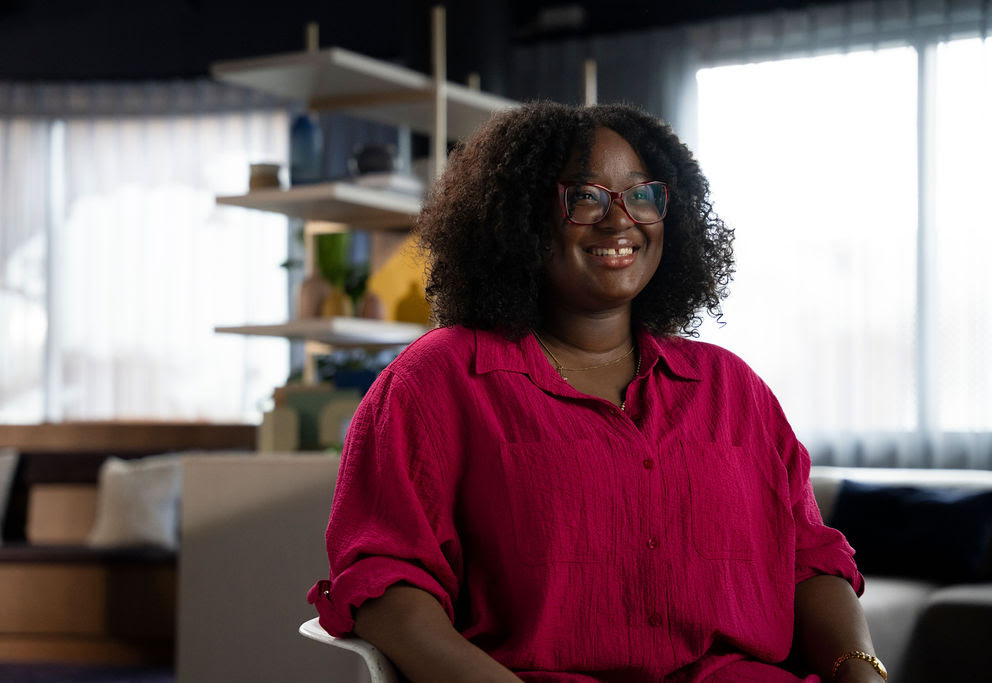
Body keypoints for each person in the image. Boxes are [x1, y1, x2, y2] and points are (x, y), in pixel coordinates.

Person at [308, 102, 886, 683]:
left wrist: (861, 672)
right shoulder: (436, 381)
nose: (620, 222)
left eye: (642, 195)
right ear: (521, 219)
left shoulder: (732, 388)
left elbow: (809, 562)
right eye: (584, 196)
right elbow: (385, 581)